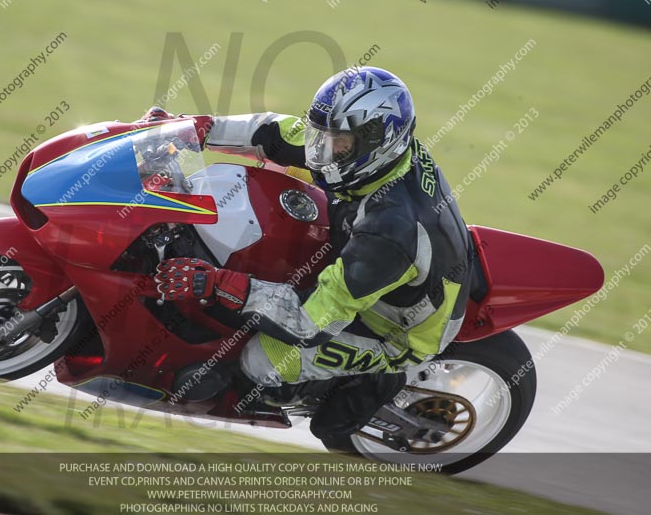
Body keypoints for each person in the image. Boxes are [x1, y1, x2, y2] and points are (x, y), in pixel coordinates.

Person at [150, 66, 473, 441]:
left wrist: (218, 282)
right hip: (385, 265)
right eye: (323, 136)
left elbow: (310, 321)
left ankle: (359, 384)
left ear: (377, 143)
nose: (321, 151)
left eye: (339, 143)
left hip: (395, 328)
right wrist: (195, 129)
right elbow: (277, 133)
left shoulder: (391, 230)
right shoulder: (383, 156)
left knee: (261, 359)